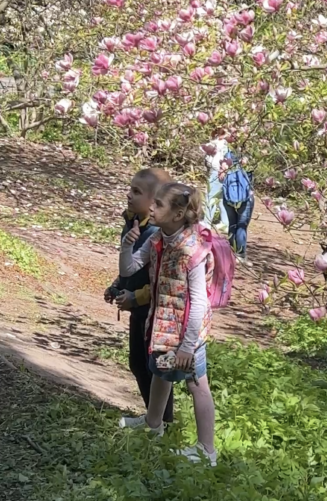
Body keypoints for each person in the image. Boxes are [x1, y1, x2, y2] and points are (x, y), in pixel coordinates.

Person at [118, 181, 218, 466]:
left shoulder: (193, 251)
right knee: (160, 372)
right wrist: (127, 246)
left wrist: (187, 347)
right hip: (164, 326)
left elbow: (199, 302)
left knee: (197, 385)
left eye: (158, 204)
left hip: (188, 333)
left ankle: (206, 450)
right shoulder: (158, 238)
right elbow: (129, 269)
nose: (152, 207)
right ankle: (153, 424)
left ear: (177, 214)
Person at [104, 168, 175, 425]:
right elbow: (131, 267)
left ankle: (164, 421)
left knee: (155, 367)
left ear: (156, 201)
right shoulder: (132, 224)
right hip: (138, 311)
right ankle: (152, 417)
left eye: (137, 192)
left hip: (155, 313)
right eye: (130, 188)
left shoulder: (157, 235)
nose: (129, 195)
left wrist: (135, 297)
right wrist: (117, 286)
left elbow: (161, 282)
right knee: (137, 362)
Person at [221, 151, 254, 263]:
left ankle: (231, 252)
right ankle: (240, 254)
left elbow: (220, 180)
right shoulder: (245, 156)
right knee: (241, 226)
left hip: (228, 199)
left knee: (232, 224)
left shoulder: (226, 162)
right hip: (245, 199)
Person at [203, 130, 229, 233]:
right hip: (217, 171)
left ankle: (206, 224)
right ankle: (225, 222)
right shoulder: (222, 144)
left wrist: (223, 170)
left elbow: (223, 159)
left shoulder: (221, 144)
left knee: (211, 197)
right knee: (220, 199)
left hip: (217, 172)